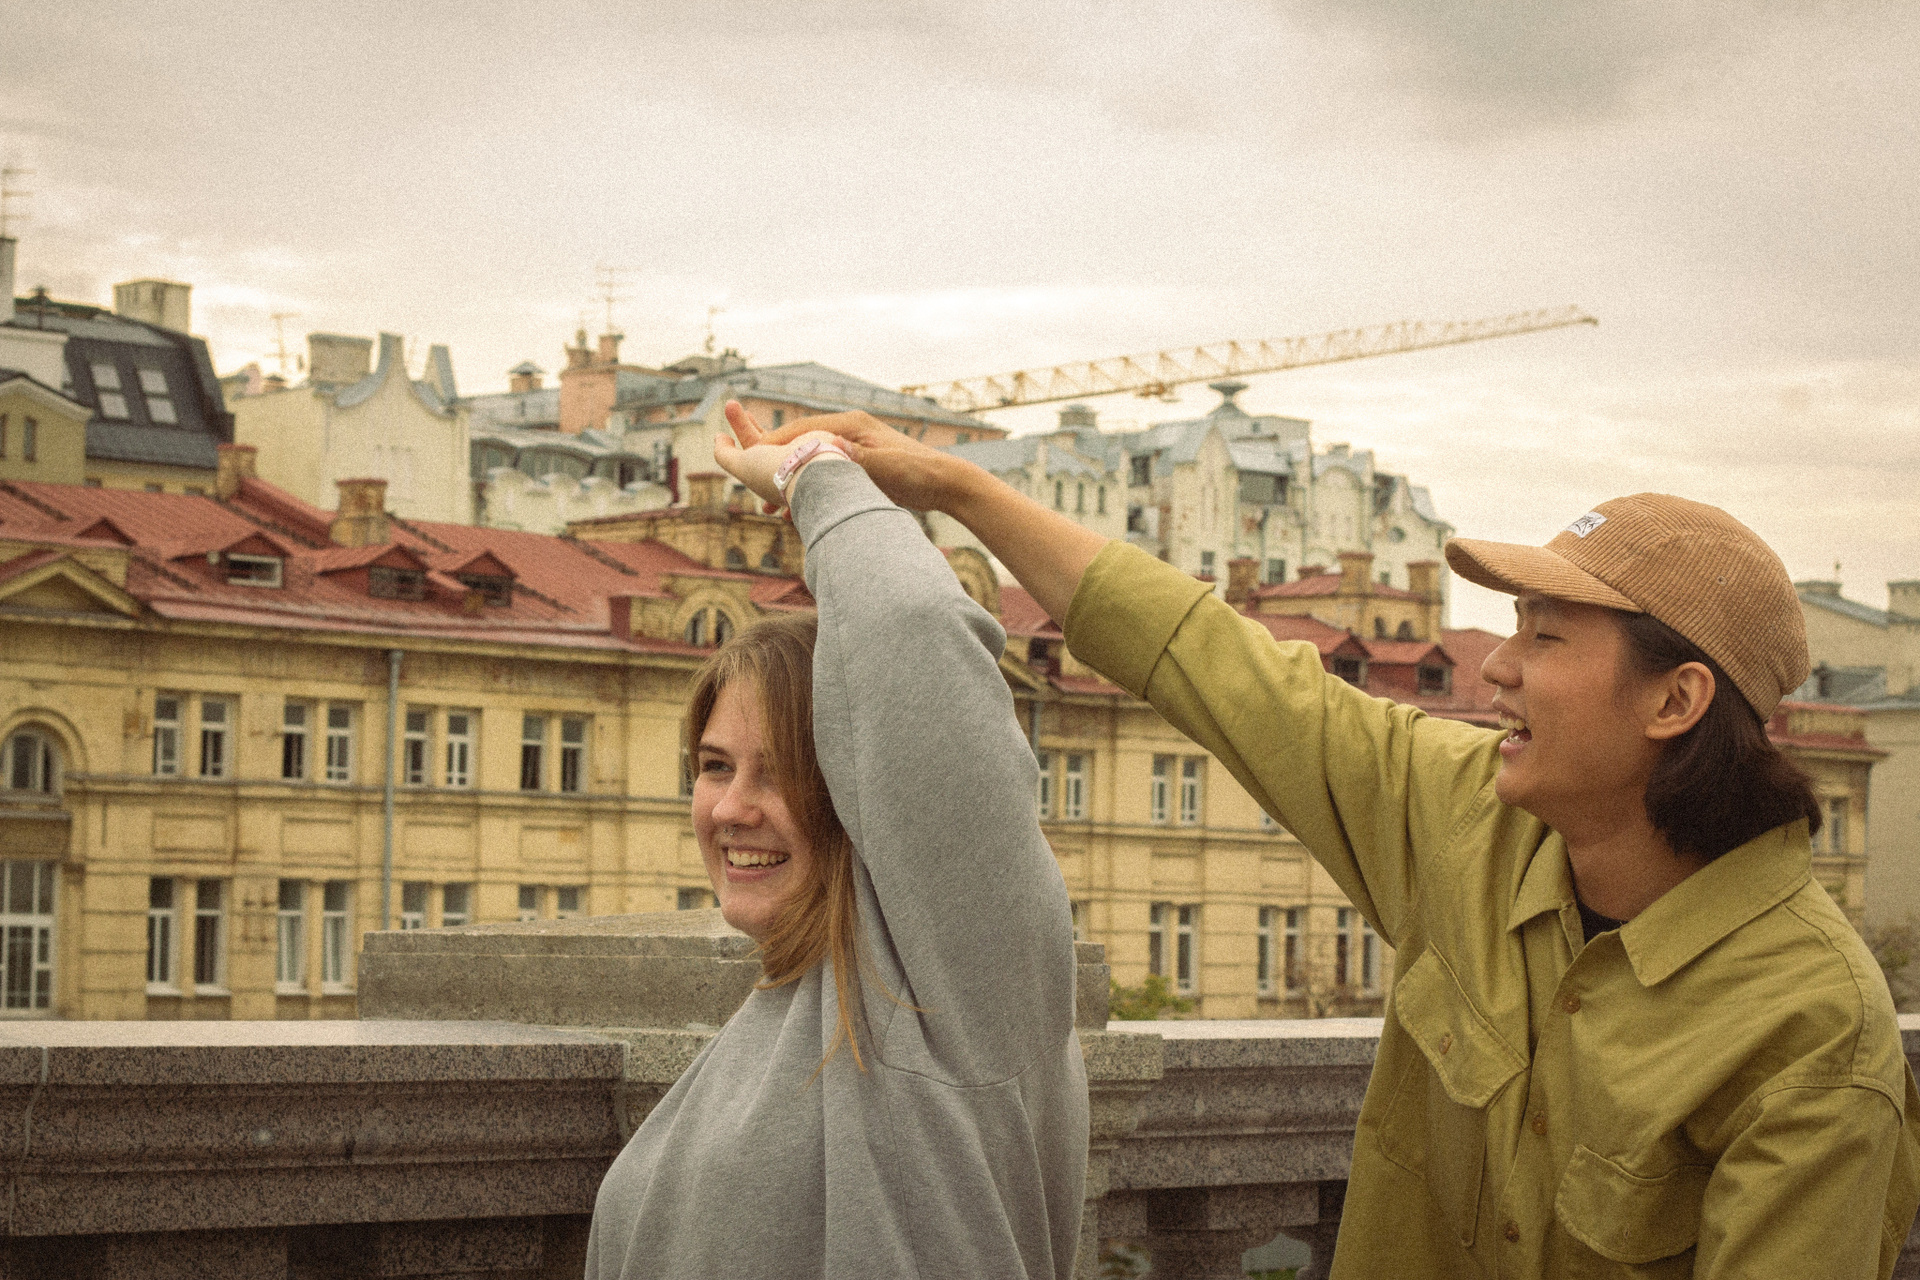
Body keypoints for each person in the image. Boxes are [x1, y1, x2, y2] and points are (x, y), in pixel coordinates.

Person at [750, 410, 1920, 1280]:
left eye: (1547, 637)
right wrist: (954, 486)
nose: (1499, 668)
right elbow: (1215, 661)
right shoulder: (1473, 818)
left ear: (1676, 699)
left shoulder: (1812, 1031)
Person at [585, 404, 1089, 1280]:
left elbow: (910, 624)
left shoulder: (952, 985)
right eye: (715, 766)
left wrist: (813, 472)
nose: (731, 808)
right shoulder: (784, 1008)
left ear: (867, 788)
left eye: (782, 771)